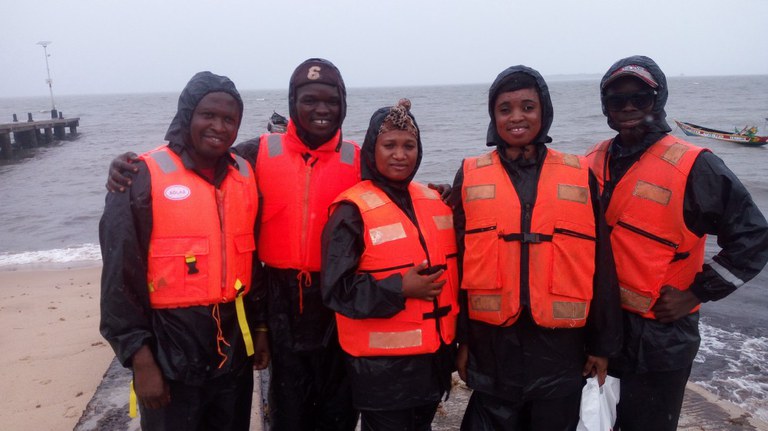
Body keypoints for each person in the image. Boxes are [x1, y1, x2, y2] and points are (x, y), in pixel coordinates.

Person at [107, 58, 361, 430]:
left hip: (334, 303)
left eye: (332, 100)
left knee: (336, 412)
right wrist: (121, 168)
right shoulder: (253, 155)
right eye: (309, 100)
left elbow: (397, 181)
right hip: (273, 303)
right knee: (287, 411)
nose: (321, 109)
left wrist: (440, 194)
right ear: (293, 103)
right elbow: (194, 158)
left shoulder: (360, 160)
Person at [585, 55, 768, 431]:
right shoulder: (588, 161)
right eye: (617, 100)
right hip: (599, 330)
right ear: (605, 107)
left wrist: (697, 291)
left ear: (659, 100)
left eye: (641, 97)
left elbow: (753, 236)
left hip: (660, 340)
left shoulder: (695, 165)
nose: (629, 107)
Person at [450, 65, 622, 431]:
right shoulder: (469, 174)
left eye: (528, 107)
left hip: (560, 351)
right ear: (492, 115)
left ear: (544, 111)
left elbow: (602, 265)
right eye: (505, 108)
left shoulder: (579, 174)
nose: (516, 117)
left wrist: (602, 344)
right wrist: (462, 341)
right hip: (493, 346)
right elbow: (459, 263)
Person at [99, 71, 270, 431]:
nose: (219, 127)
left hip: (232, 350)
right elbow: (118, 279)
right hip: (168, 349)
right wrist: (140, 360)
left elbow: (253, 262)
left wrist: (261, 328)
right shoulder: (138, 177)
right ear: (187, 114)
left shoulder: (245, 173)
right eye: (208, 115)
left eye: (229, 119)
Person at [321, 99, 458, 431]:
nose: (400, 154)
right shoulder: (350, 213)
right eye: (390, 145)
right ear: (372, 149)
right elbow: (337, 291)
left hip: (432, 364)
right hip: (381, 374)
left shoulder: (434, 200)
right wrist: (400, 288)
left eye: (409, 145)